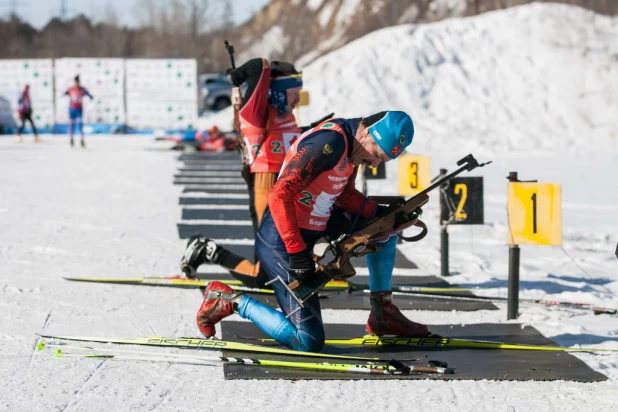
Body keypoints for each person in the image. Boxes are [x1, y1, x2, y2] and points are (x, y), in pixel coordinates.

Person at [193, 111, 430, 352]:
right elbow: (279, 194)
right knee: (307, 342)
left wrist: (378, 213)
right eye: (376, 155)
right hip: (282, 240)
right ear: (368, 132)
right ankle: (227, 300)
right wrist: (296, 253)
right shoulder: (330, 143)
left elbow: (344, 194)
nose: (375, 163)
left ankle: (382, 312)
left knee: (386, 226)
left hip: (317, 224)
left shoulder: (353, 147)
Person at [64, 76, 93, 148]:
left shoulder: (82, 89)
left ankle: (82, 139)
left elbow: (89, 94)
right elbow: (64, 93)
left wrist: (90, 97)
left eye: (78, 82)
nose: (77, 83)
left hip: (79, 109)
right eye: (76, 82)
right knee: (72, 124)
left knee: (80, 124)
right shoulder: (71, 89)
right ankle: (71, 139)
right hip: (72, 109)